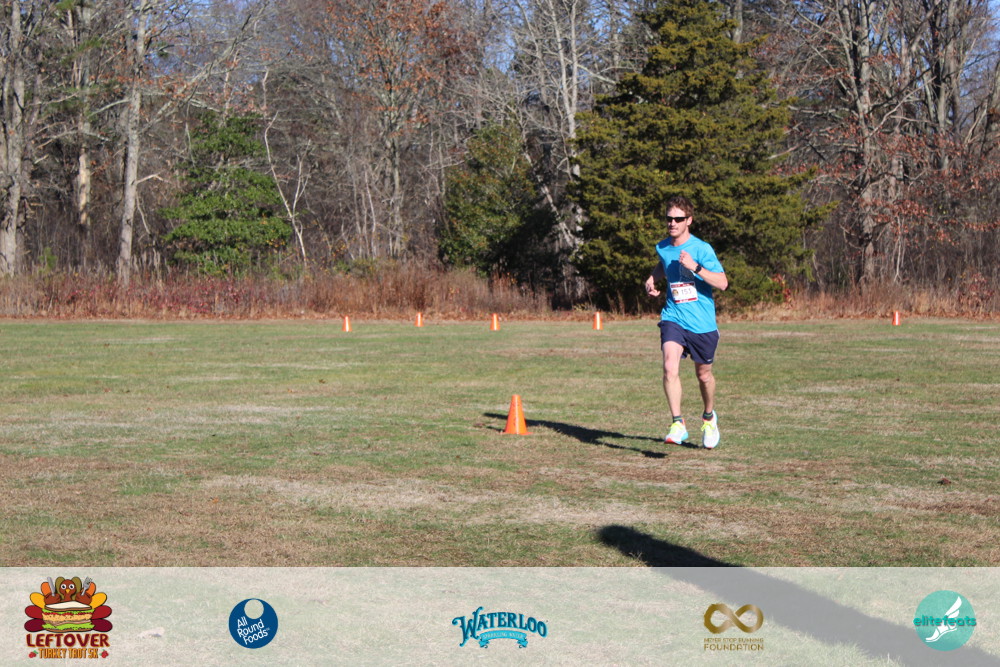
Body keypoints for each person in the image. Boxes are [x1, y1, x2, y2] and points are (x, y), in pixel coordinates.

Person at [644, 196, 728, 448]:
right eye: (669, 218)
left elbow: (722, 283)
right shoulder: (662, 246)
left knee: (704, 375)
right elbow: (664, 263)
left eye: (678, 219)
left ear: (688, 220)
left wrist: (695, 267)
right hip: (674, 317)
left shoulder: (702, 249)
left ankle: (709, 418)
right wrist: (652, 278)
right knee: (670, 367)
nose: (672, 223)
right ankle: (677, 423)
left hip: (702, 323)